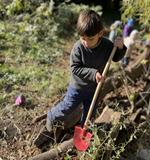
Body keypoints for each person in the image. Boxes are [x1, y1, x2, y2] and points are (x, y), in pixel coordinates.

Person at [34, 9, 127, 148]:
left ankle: (84, 135)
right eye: (82, 38)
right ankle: (51, 116)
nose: (85, 42)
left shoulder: (107, 46)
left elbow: (116, 57)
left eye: (90, 39)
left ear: (100, 34)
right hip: (77, 87)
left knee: (90, 114)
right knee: (67, 107)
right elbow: (75, 68)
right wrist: (93, 73)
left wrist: (121, 47)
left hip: (94, 89)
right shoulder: (78, 48)